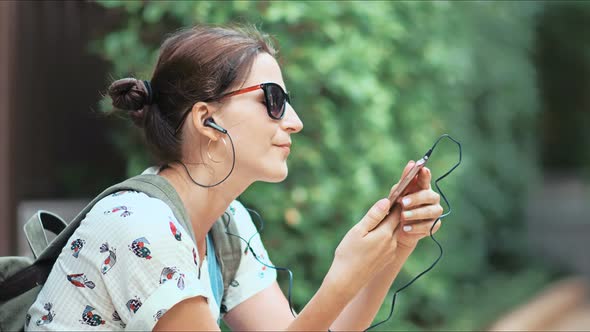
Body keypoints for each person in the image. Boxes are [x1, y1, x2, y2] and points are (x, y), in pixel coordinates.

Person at [25, 25, 443, 331]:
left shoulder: (227, 226)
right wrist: (340, 278)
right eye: (274, 101)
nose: (294, 122)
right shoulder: (142, 228)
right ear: (207, 119)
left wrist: (396, 245)